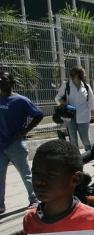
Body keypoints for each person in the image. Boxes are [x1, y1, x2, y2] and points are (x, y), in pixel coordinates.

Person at [0, 71, 41, 215]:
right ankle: (0, 205)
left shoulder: (21, 100)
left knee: (26, 173)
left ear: (11, 82)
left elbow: (38, 115)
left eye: (4, 79)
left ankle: (35, 199)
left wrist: (25, 131)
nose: (1, 81)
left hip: (16, 145)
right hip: (1, 146)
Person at [54, 66, 94, 153]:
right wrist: (63, 104)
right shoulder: (66, 85)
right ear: (76, 75)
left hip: (84, 116)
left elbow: (91, 101)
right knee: (73, 139)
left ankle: (89, 153)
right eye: (82, 74)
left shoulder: (86, 86)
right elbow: (57, 98)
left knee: (85, 138)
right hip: (70, 116)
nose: (84, 75)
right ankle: (75, 156)